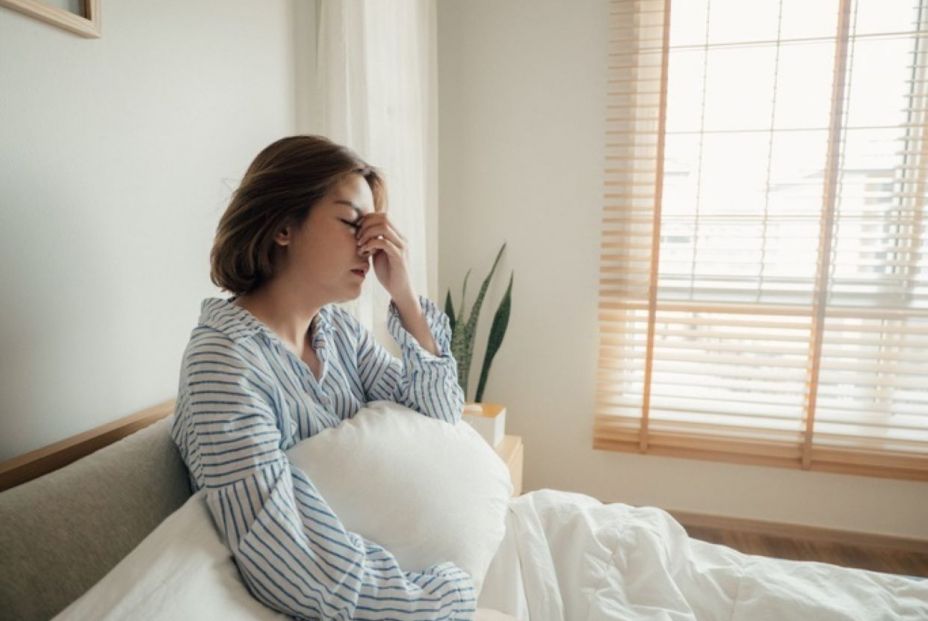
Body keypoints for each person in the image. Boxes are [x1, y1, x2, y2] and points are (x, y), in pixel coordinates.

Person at [170, 135, 475, 620]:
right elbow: (293, 566)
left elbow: (439, 418)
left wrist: (406, 299)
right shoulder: (223, 364)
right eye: (352, 222)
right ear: (284, 226)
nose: (371, 243)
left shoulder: (336, 332)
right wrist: (445, 597)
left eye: (374, 226)